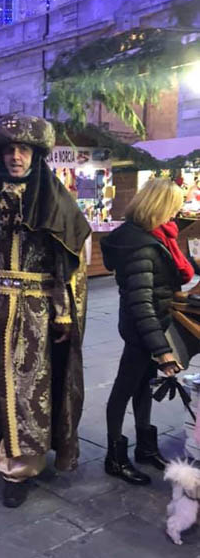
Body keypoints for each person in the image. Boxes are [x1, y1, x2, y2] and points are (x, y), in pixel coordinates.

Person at [0, 116, 91, 507]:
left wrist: (64, 311)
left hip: (34, 309)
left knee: (28, 388)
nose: (16, 157)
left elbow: (68, 262)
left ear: (35, 155)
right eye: (9, 150)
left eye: (24, 150)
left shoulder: (53, 199)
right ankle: (9, 441)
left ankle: (20, 468)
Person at [100, 178, 188, 485]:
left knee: (142, 387)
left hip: (151, 326)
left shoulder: (151, 237)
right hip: (143, 330)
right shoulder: (141, 247)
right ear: (160, 207)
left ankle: (145, 448)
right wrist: (161, 349)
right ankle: (114, 457)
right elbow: (141, 303)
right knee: (124, 389)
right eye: (174, 208)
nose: (177, 214)